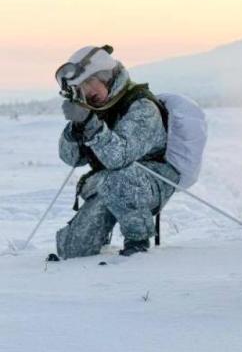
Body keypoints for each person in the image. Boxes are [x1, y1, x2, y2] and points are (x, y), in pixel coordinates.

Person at [51, 45, 178, 259]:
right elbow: (70, 158)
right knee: (73, 250)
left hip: (150, 182)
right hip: (109, 183)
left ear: (107, 77)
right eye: (81, 86)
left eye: (91, 82)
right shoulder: (94, 109)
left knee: (119, 179)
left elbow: (119, 158)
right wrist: (75, 128)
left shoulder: (142, 107)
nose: (88, 91)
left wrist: (90, 124)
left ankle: (138, 245)